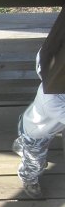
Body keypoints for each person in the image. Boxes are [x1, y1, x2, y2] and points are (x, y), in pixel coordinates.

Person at [12, 50, 65, 198]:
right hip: (37, 135)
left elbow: (43, 55)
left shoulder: (51, 80)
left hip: (31, 122)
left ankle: (21, 145)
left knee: (27, 141)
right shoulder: (52, 100)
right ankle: (29, 180)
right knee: (35, 164)